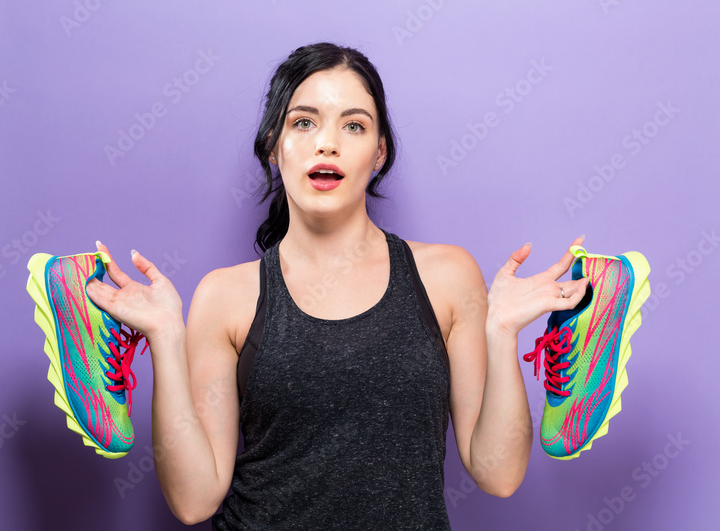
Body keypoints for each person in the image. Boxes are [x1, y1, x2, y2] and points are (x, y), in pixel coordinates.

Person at [84, 42, 588, 530]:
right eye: (304, 122)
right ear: (272, 148)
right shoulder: (226, 296)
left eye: (353, 125)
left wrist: (501, 331)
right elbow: (194, 502)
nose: (327, 142)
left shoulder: (448, 277)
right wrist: (166, 338)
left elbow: (497, 474)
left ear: (378, 152)